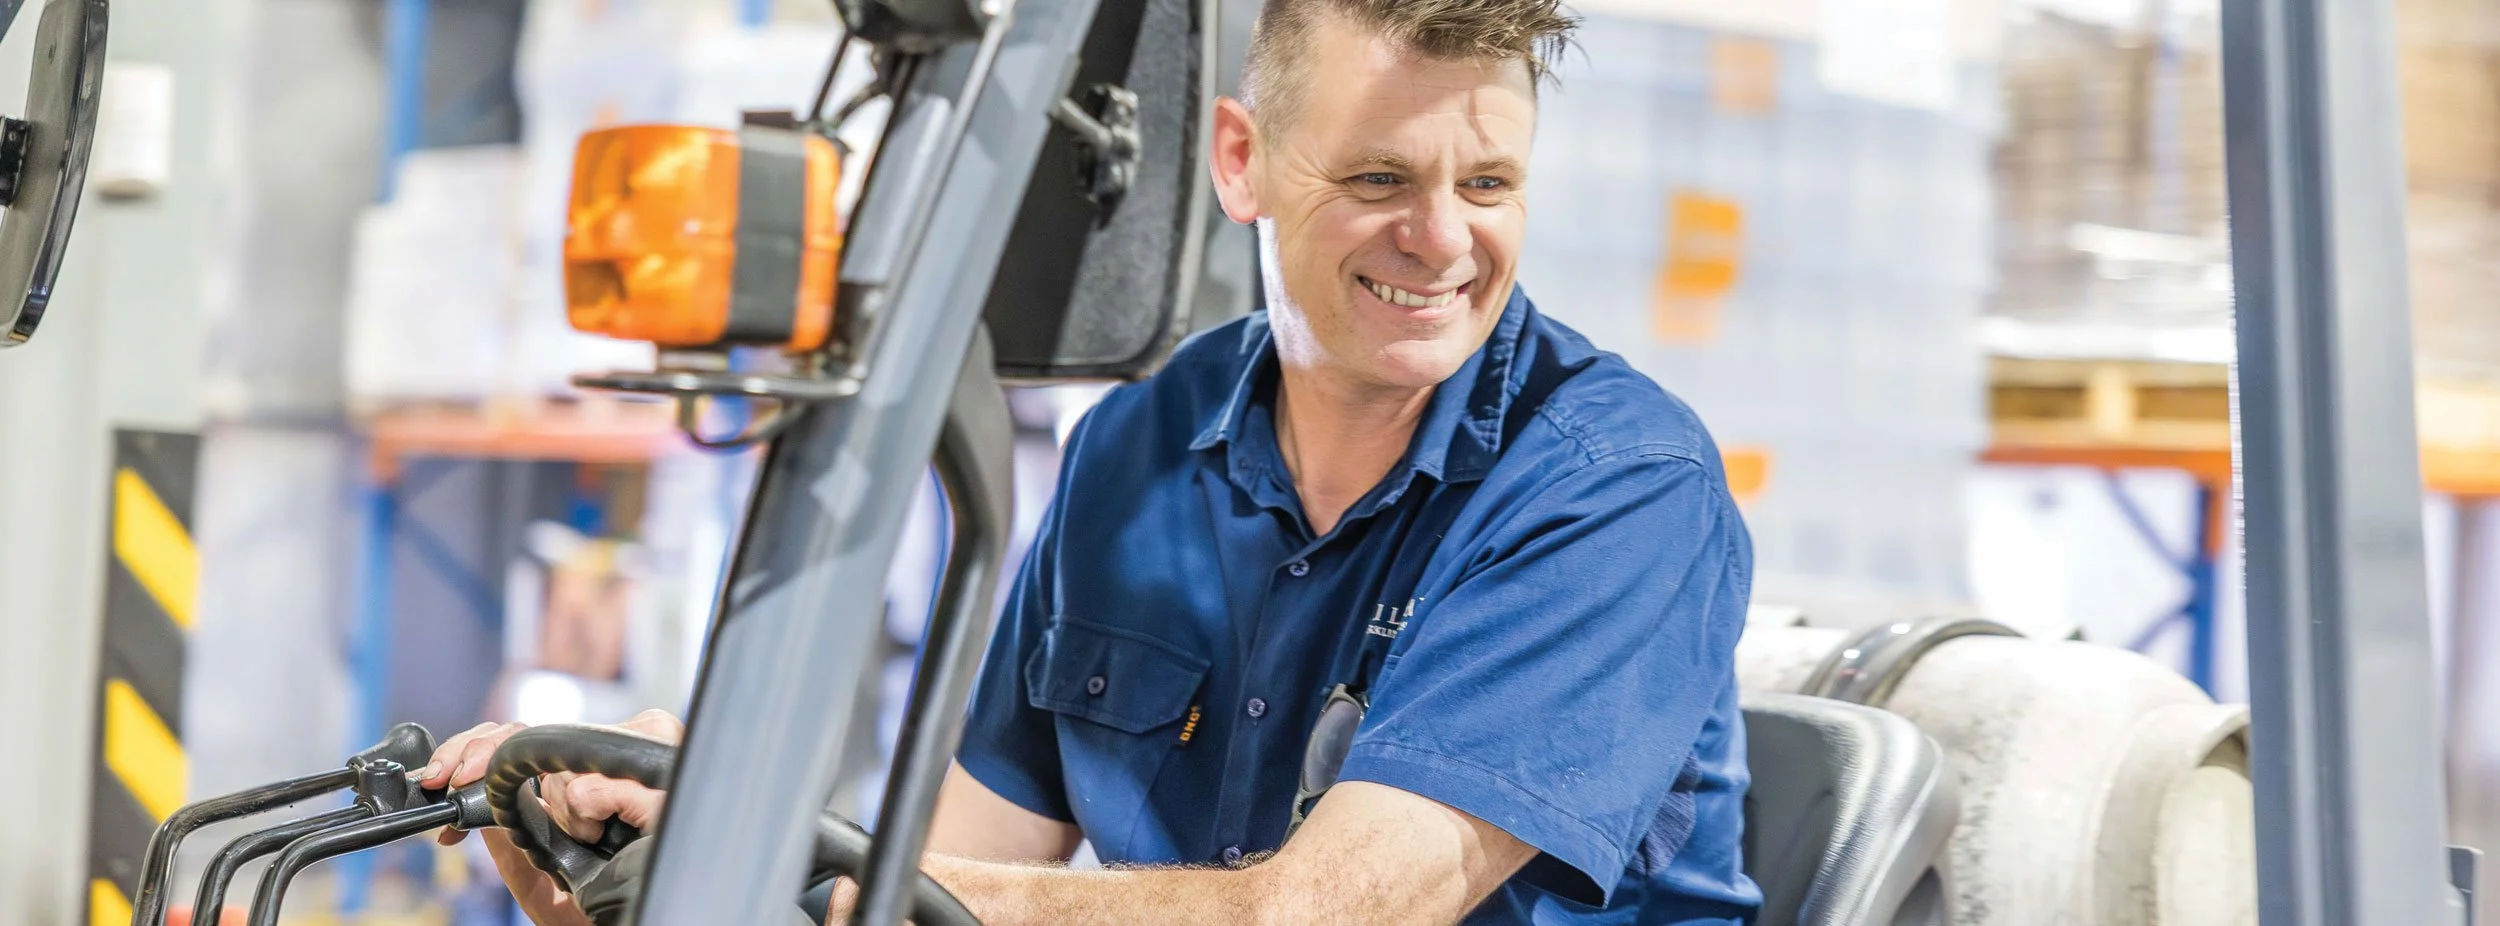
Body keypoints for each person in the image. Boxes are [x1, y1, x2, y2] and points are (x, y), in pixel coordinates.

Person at [420, 0, 1761, 922]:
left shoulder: (1613, 489)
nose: (1440, 240)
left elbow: (1321, 912)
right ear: (1239, 161)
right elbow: (956, 865)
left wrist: (807, 866)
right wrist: (702, 814)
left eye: (1487, 187)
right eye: (1377, 181)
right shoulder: (1138, 445)